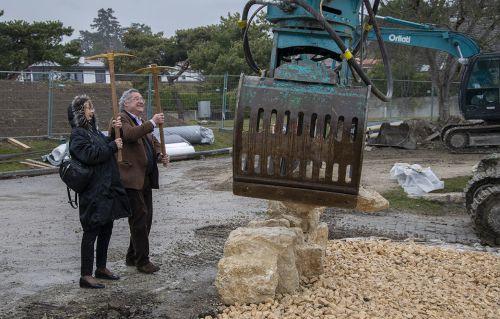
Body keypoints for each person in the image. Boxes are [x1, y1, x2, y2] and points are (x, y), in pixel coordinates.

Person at [68, 94, 131, 289]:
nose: (92, 111)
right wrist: (113, 145)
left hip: (106, 189)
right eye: (88, 108)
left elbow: (108, 144)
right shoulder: (78, 134)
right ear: (80, 112)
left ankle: (101, 268)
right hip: (93, 192)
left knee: (106, 228)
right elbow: (90, 155)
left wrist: (115, 130)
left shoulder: (94, 132)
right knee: (91, 231)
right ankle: (85, 275)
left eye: (92, 107)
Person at [114, 88, 169, 274]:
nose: (140, 101)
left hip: (145, 177)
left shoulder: (141, 121)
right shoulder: (120, 119)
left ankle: (132, 255)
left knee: (146, 218)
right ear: (126, 103)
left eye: (141, 98)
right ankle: (142, 261)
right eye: (135, 99)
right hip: (130, 177)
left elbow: (152, 141)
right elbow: (129, 135)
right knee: (139, 219)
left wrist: (160, 153)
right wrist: (153, 122)